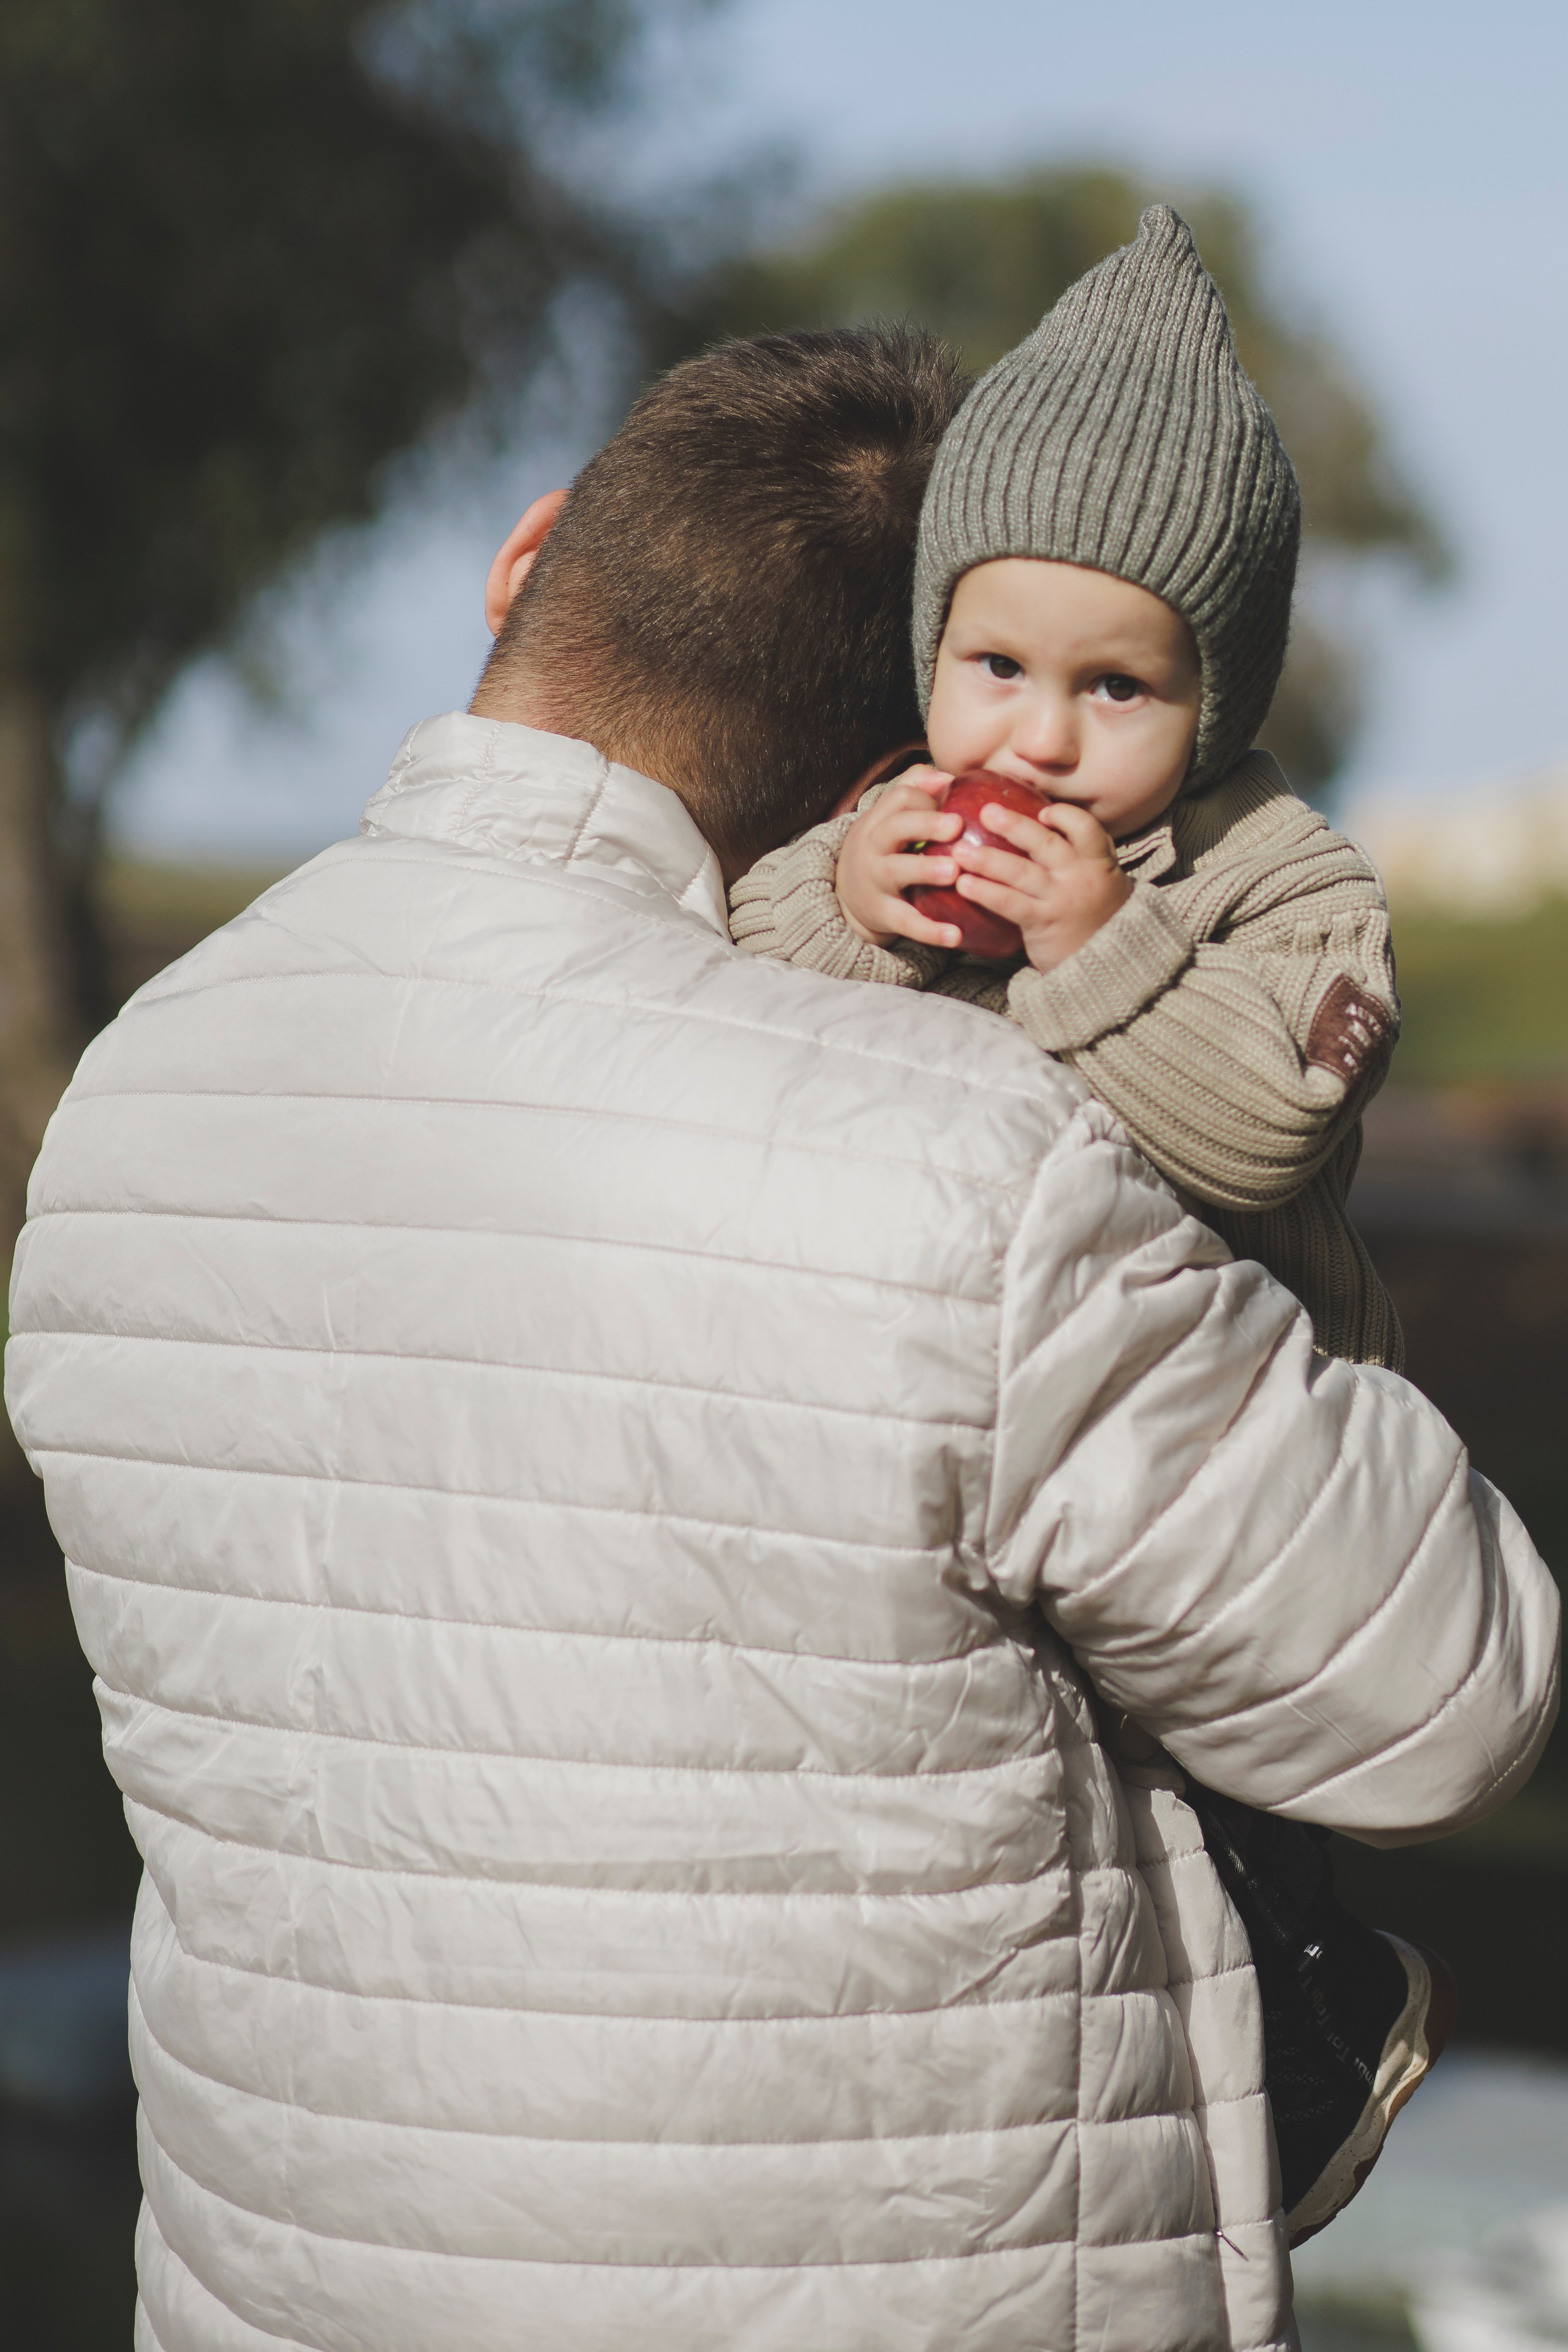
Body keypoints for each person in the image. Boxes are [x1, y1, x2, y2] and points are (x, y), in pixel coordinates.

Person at [5, 320, 1557, 2352]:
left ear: (526, 556)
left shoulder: (141, 1093)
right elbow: (1450, 1690)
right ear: (884, 778)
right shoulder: (961, 1168)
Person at [729, 205, 1449, 2242]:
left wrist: (1108, 943)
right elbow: (741, 1007)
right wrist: (833, 901)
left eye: (1114, 686)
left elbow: (1276, 1127)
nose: (1036, 740)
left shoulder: (1274, 881)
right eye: (996, 666)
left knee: (1216, 1794)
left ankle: (1328, 2029)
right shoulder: (890, 812)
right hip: (983, 1423)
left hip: (1225, 1434)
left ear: (1214, 698)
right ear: (932, 649)